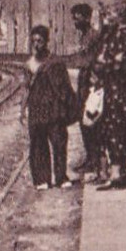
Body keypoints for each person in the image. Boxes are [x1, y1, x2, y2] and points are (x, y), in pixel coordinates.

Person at [92, 0, 126, 191]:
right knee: (112, 130)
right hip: (113, 90)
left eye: (108, 10)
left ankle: (120, 174)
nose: (105, 15)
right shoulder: (112, 35)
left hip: (121, 90)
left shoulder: (124, 35)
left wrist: (103, 64)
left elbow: (117, 63)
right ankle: (118, 172)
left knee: (119, 130)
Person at [22, 25, 76, 189]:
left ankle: (61, 177)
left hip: (54, 109)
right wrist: (22, 109)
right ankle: (42, 179)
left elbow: (65, 86)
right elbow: (25, 88)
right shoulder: (29, 65)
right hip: (37, 109)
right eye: (34, 41)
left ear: (46, 42)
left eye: (40, 40)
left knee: (59, 143)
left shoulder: (56, 62)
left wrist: (67, 106)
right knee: (38, 145)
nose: (36, 44)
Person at [67, 2, 104, 181]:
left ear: (87, 18)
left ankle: (95, 161)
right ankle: (90, 158)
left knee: (91, 123)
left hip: (92, 83)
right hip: (84, 83)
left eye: (78, 17)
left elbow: (89, 61)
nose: (75, 20)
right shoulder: (83, 36)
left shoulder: (94, 36)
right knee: (83, 123)